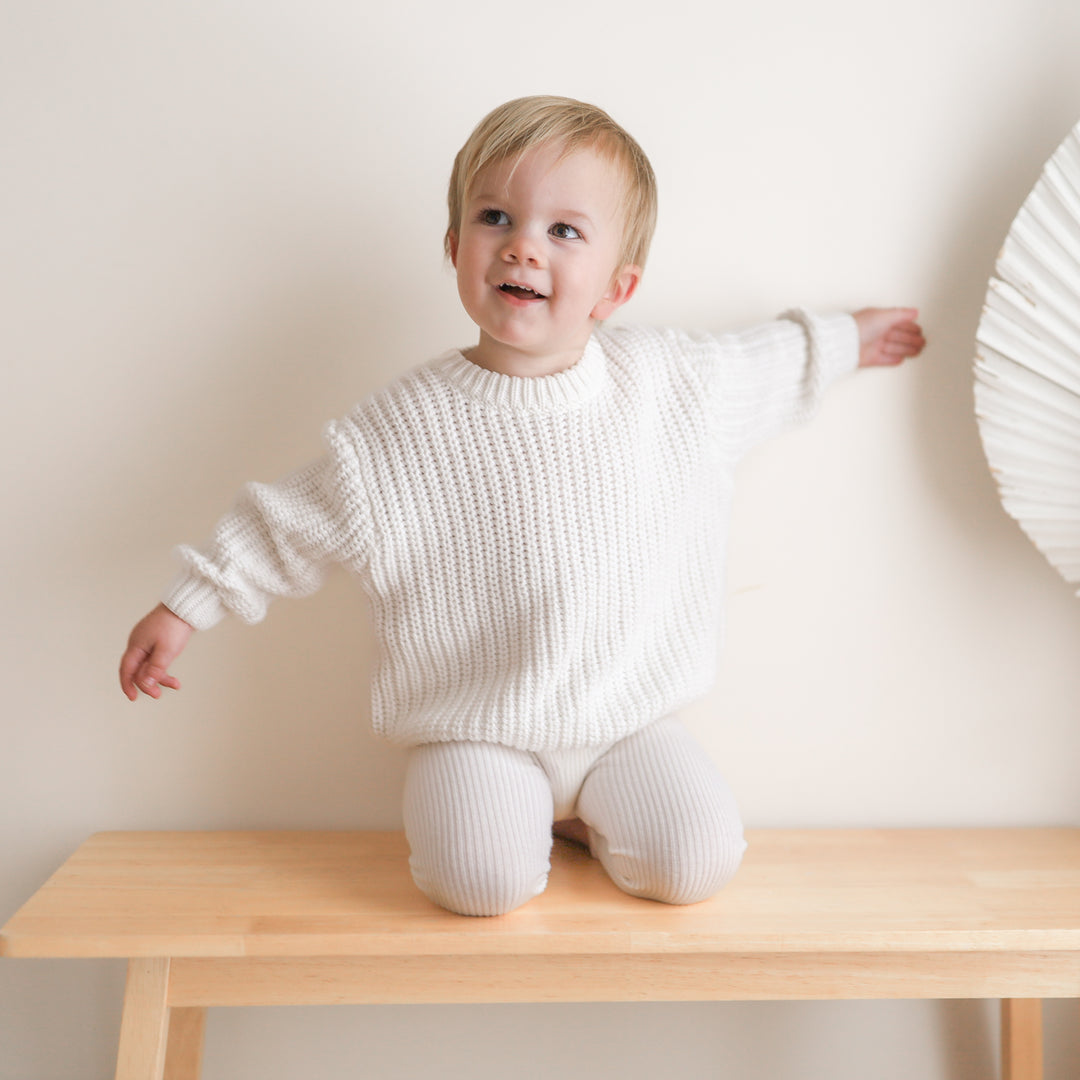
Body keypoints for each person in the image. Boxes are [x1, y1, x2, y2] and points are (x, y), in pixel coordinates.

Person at [119, 96, 926, 916]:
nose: (522, 247)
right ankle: (524, 818)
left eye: (563, 231)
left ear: (619, 285)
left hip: (627, 723)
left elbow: (767, 363)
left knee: (697, 864)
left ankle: (583, 821)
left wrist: (847, 338)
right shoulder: (401, 429)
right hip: (480, 728)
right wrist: (185, 607)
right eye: (495, 216)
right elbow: (286, 523)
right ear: (454, 246)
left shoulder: (672, 385)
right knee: (482, 885)